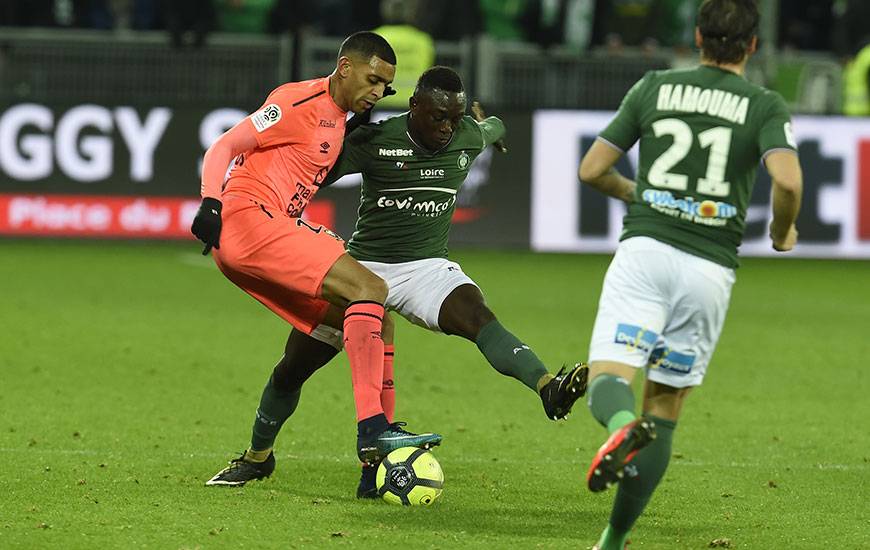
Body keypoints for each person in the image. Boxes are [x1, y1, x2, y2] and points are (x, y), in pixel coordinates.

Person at [205, 65, 589, 497]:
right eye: (437, 117)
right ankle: (258, 457)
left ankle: (547, 387)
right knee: (293, 369)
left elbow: (488, 126)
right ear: (414, 107)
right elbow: (316, 167)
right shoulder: (375, 141)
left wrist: (490, 130)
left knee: (478, 316)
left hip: (425, 268)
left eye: (455, 118)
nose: (447, 128)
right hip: (362, 270)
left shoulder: (466, 134)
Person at [576, 1, 802, 548]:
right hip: (709, 269)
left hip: (646, 251)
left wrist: (643, 195)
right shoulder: (765, 104)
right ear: (752, 45)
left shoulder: (655, 86)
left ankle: (617, 428)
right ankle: (613, 540)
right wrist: (780, 232)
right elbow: (789, 183)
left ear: (696, 37)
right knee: (665, 407)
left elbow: (592, 169)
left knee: (609, 379)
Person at [192, 31, 442, 486]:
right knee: (371, 289)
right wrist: (211, 202)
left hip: (261, 237)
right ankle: (374, 432)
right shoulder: (296, 102)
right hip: (251, 221)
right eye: (371, 80)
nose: (377, 92)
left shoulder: (340, 119)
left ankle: (263, 456)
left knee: (334, 337)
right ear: (345, 67)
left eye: (385, 87)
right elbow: (223, 146)